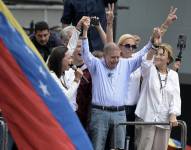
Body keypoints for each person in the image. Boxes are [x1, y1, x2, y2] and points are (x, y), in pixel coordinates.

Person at [80, 16, 159, 150]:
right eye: (112, 58)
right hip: (100, 112)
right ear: (104, 56)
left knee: (119, 147)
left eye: (118, 57)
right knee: (97, 147)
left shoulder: (125, 64)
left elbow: (142, 53)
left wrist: (152, 41)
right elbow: (85, 53)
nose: (116, 60)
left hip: (119, 113)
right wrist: (85, 31)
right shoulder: (95, 65)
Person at [135, 41, 181, 150]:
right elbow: (146, 62)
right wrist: (154, 46)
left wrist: (173, 114)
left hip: (164, 120)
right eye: (157, 54)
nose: (157, 56)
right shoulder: (149, 70)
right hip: (147, 118)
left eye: (161, 54)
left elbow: (175, 97)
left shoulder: (174, 75)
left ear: (168, 59)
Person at [47, 46, 83, 111]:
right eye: (69, 58)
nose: (71, 61)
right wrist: (76, 79)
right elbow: (65, 97)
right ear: (60, 60)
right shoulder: (51, 76)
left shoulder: (62, 74)